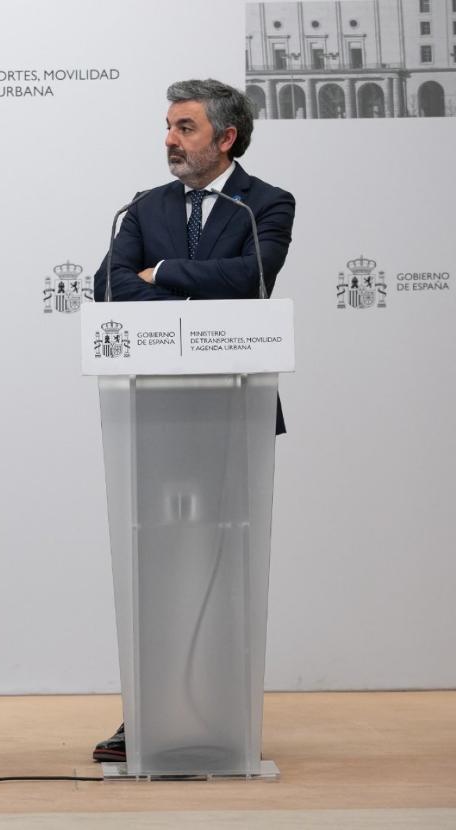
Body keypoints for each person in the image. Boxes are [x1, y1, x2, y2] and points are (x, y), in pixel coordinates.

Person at [89, 79, 295, 763]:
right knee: (159, 568)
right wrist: (162, 279)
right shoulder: (143, 207)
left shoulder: (265, 203)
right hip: (155, 413)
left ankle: (222, 715)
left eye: (185, 127)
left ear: (225, 137)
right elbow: (111, 287)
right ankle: (148, 716)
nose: (170, 140)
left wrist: (165, 272)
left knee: (226, 568)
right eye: (169, 127)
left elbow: (252, 281)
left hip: (235, 412)